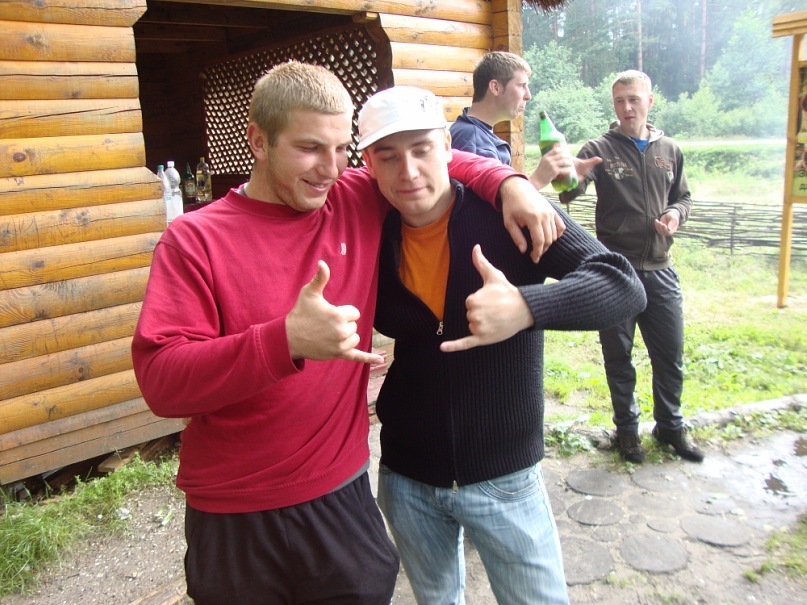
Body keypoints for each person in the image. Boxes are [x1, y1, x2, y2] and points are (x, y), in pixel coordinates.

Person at [131, 61, 563, 605]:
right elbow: (161, 383)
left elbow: (429, 157)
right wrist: (282, 341)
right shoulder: (195, 239)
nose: (330, 168)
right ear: (259, 141)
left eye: (341, 150)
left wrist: (509, 181)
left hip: (342, 492)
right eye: (309, 148)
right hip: (234, 507)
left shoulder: (352, 195)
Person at [357, 86, 647, 604]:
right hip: (406, 476)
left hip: (505, 476)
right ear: (369, 164)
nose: (409, 172)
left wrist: (527, 307)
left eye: (422, 149)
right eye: (389, 156)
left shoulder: (510, 216)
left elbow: (622, 284)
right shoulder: (368, 230)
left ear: (448, 147)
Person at [560, 69, 704, 464]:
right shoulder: (599, 147)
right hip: (615, 272)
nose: (626, 107)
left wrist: (675, 214)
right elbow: (569, 194)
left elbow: (684, 197)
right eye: (619, 101)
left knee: (669, 354)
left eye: (634, 99)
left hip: (660, 268)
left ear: (649, 101)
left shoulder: (669, 149)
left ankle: (670, 427)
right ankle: (627, 431)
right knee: (618, 357)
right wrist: (570, 175)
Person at [451, 50, 597, 192]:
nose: (528, 95)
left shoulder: (472, 132)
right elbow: (488, 207)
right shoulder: (473, 139)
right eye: (521, 85)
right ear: (495, 87)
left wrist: (558, 167)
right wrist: (538, 179)